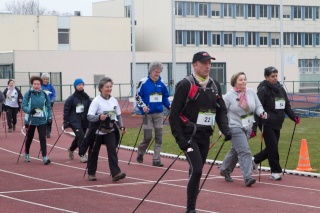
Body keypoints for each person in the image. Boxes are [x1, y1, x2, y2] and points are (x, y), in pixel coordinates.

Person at [169, 51, 231, 213]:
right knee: (197, 169)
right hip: (189, 136)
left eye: (209, 63)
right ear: (194, 65)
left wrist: (225, 129)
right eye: (204, 63)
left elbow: (221, 110)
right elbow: (174, 115)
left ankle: (191, 206)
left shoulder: (214, 85)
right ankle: (190, 209)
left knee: (195, 171)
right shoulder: (185, 85)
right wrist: (180, 139)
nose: (208, 66)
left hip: (205, 136)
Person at [251, 66, 300, 181]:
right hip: (266, 122)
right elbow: (256, 108)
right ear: (266, 77)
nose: (275, 78)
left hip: (278, 122)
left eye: (276, 76)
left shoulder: (280, 89)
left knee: (272, 147)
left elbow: (286, 105)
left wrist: (294, 117)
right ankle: (275, 171)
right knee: (273, 148)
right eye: (272, 76)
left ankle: (255, 160)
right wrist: (254, 128)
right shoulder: (263, 90)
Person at [219, 72, 267, 187]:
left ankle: (225, 169)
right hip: (234, 127)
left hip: (248, 126)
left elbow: (258, 105)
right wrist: (222, 129)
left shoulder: (250, 92)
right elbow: (222, 113)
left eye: (245, 79)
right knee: (245, 151)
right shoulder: (228, 96)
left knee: (236, 150)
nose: (243, 82)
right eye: (240, 80)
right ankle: (248, 177)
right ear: (235, 82)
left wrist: (262, 113)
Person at [86, 77, 126, 182]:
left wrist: (121, 126)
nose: (109, 89)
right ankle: (91, 173)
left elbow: (118, 115)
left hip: (110, 130)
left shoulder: (114, 101)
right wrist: (99, 117)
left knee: (112, 151)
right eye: (107, 87)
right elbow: (89, 116)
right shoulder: (96, 101)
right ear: (101, 88)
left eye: (110, 87)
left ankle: (115, 173)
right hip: (97, 131)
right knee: (94, 152)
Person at [135, 61, 171, 167]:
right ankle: (140, 152)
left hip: (159, 114)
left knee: (159, 136)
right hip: (147, 114)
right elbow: (137, 96)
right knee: (148, 136)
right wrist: (143, 106)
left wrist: (169, 106)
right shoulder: (144, 81)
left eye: (159, 72)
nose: (157, 74)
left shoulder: (162, 83)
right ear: (151, 71)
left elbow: (165, 97)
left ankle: (156, 159)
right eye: (156, 71)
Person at [21, 76, 52, 164]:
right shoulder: (28, 94)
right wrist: (29, 111)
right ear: (32, 84)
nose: (36, 86)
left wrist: (49, 117)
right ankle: (26, 152)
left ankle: (45, 156)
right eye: (35, 84)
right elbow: (24, 106)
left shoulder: (44, 94)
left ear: (41, 85)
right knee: (29, 137)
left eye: (38, 84)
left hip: (42, 120)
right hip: (31, 120)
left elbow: (48, 107)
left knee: (42, 137)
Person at [63, 78, 91, 163]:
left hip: (85, 120)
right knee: (81, 136)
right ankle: (82, 154)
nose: (81, 86)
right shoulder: (71, 98)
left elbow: (91, 108)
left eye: (82, 84)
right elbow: (66, 110)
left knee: (79, 137)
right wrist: (66, 122)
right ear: (75, 86)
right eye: (79, 85)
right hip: (74, 120)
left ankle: (71, 149)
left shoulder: (87, 98)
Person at [41, 73, 56, 138]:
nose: (45, 80)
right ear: (42, 79)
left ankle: (48, 132)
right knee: (43, 118)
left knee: (49, 119)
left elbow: (54, 94)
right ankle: (43, 131)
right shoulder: (40, 86)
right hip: (41, 105)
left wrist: (52, 101)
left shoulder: (50, 86)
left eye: (47, 79)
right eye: (44, 79)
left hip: (49, 104)